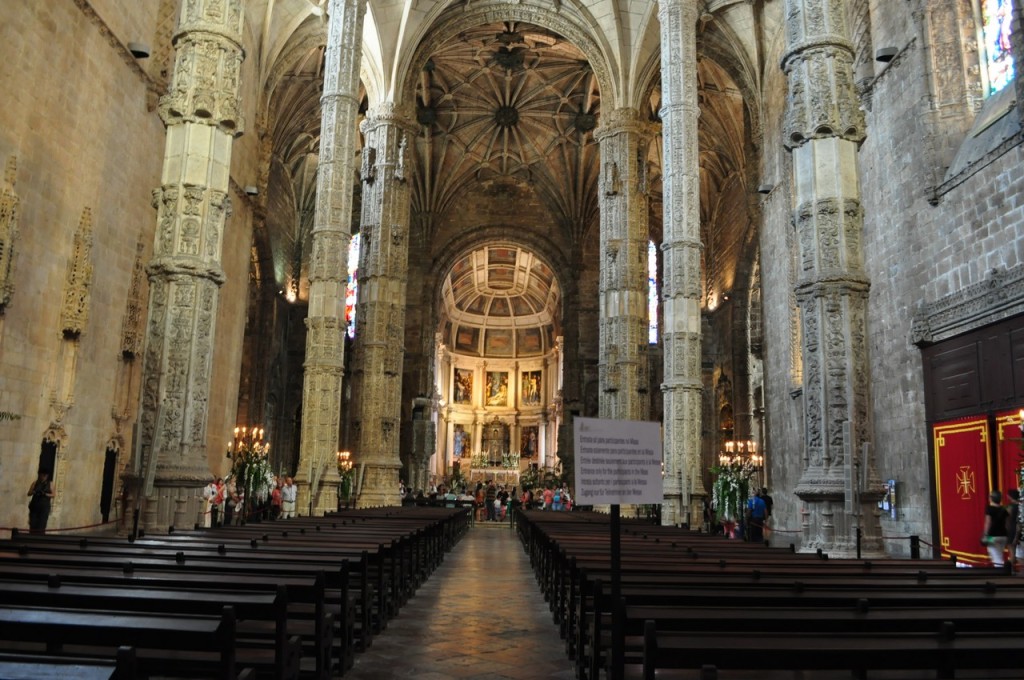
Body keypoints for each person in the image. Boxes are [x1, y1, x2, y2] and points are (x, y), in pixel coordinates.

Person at [982, 489, 1009, 567]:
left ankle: (1002, 572)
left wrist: (986, 534)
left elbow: (988, 522)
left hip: (992, 537)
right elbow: (1007, 524)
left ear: (991, 498)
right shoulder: (1004, 509)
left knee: (995, 555)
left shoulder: (989, 509)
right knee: (999, 554)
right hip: (1004, 536)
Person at [1007, 489, 1021, 575]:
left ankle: (1011, 570)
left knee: (1012, 551)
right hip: (1019, 529)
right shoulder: (1021, 506)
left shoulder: (1010, 507)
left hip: (1011, 530)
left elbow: (1007, 519)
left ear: (1010, 497)